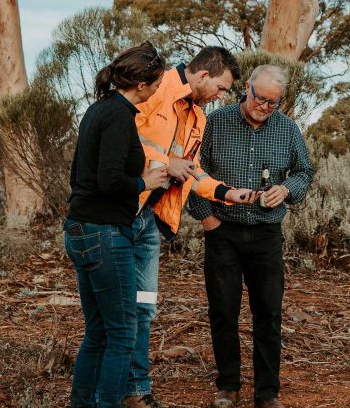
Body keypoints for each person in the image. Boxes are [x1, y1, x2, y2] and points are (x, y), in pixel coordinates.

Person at [123, 47, 258, 408]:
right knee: (118, 307)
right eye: (223, 87)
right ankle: (111, 388)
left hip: (150, 221)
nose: (223, 97)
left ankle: (136, 389)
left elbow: (193, 171)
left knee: (144, 307)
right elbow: (122, 139)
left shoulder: (198, 116)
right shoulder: (156, 87)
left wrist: (228, 193)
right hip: (120, 215)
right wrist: (168, 162)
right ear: (202, 76)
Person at [188, 64, 315, 408]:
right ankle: (228, 386)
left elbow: (305, 172)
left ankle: (267, 393)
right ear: (247, 88)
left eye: (273, 103)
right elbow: (191, 171)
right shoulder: (215, 122)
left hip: (266, 234)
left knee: (268, 312)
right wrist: (207, 220)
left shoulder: (288, 129)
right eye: (260, 99)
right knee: (223, 312)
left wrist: (286, 189)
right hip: (223, 231)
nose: (264, 107)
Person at [63, 41, 168, 408]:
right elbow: (109, 181)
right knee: (122, 333)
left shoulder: (97, 110)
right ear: (141, 84)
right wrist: (146, 183)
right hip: (106, 234)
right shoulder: (120, 116)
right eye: (156, 84)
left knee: (99, 332)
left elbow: (81, 175)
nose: (158, 89)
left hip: (81, 230)